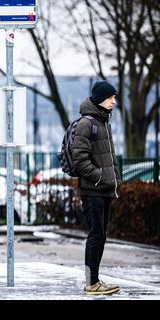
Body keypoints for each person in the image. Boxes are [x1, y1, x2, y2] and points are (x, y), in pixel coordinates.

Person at [72, 80, 122, 295]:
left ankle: (94, 280)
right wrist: (100, 177)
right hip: (93, 190)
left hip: (104, 189)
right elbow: (80, 159)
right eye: (111, 97)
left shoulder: (103, 123)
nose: (114, 101)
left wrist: (115, 177)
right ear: (101, 98)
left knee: (100, 236)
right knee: (95, 235)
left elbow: (109, 157)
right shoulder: (87, 123)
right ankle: (91, 283)